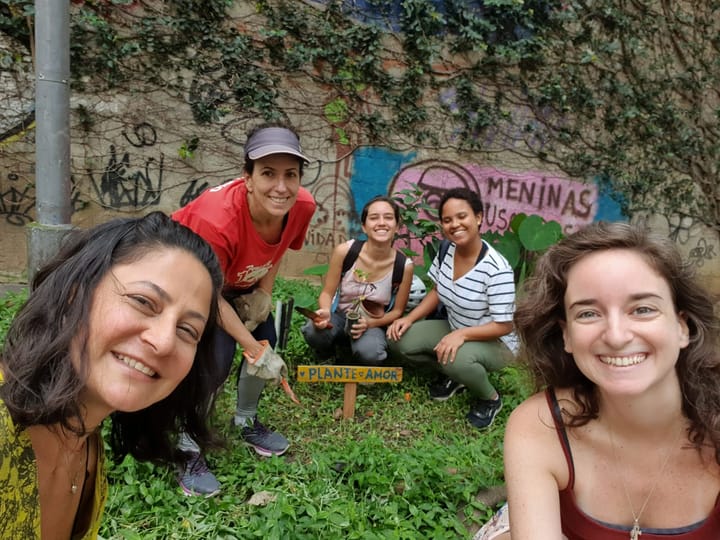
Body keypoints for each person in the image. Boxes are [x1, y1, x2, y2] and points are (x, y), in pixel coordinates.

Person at [0, 211, 223, 540]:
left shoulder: (87, 445)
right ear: (75, 294)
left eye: (188, 330)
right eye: (143, 301)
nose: (163, 342)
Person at [491, 221, 720, 539]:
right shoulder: (541, 425)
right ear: (566, 335)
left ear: (683, 327)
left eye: (642, 309)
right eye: (588, 313)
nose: (615, 336)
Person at [171, 122, 316, 495]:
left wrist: (263, 295)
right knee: (215, 358)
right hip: (184, 279)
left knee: (266, 339)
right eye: (268, 173)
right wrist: (247, 345)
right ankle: (185, 444)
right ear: (247, 178)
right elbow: (205, 293)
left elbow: (278, 247)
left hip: (236, 281)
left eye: (291, 175)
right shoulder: (215, 219)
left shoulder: (301, 206)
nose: (281, 187)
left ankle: (246, 420)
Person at [387, 187, 518, 429]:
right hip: (456, 325)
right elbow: (437, 291)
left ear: (478, 217)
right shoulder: (447, 250)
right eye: (447, 220)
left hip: (496, 342)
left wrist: (461, 335)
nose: (454, 224)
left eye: (462, 216)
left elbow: (504, 325)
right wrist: (410, 318)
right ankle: (455, 377)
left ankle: (490, 398)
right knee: (398, 339)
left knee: (455, 359)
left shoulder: (497, 269)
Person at [301, 195, 414, 365]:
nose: (382, 223)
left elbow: (397, 312)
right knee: (312, 330)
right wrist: (324, 311)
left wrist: (369, 324)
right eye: (374, 218)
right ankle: (327, 353)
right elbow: (327, 292)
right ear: (364, 227)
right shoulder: (345, 251)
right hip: (339, 317)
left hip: (372, 323)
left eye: (389, 218)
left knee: (371, 354)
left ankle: (362, 350)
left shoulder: (403, 265)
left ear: (397, 227)